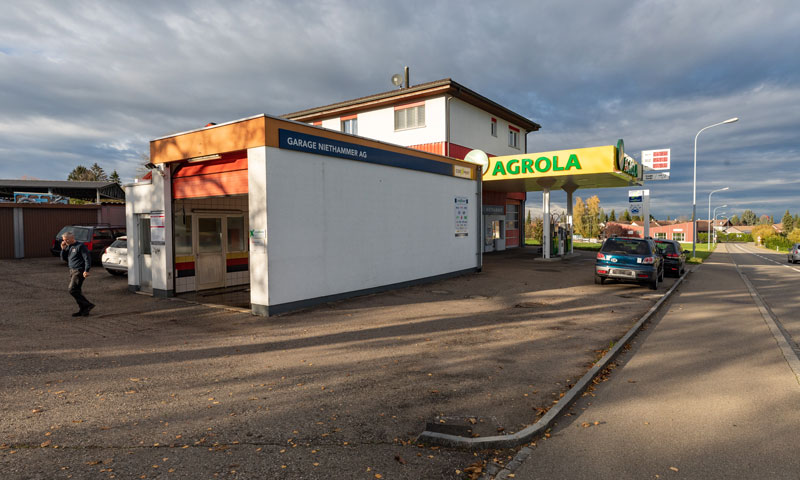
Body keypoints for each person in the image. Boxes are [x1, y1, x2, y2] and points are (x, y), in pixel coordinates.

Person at [60, 231, 95, 317]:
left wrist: (86, 270)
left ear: (72, 238)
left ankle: (87, 305)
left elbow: (87, 258)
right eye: (64, 240)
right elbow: (63, 258)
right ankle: (83, 310)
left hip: (79, 271)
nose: (65, 241)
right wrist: (63, 249)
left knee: (72, 289)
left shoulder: (80, 246)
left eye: (67, 239)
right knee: (77, 290)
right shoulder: (69, 246)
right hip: (72, 270)